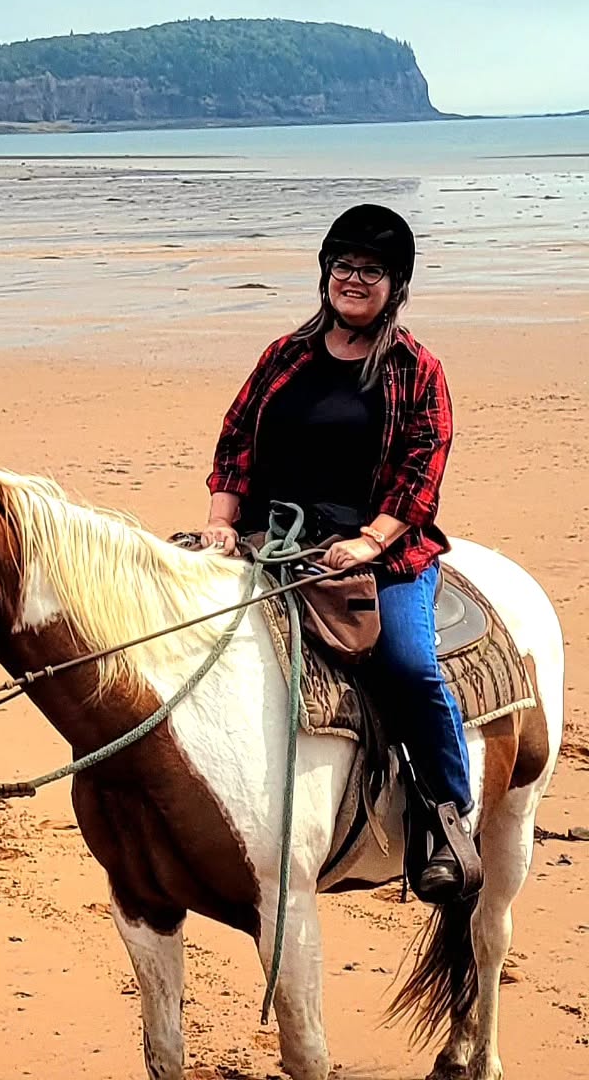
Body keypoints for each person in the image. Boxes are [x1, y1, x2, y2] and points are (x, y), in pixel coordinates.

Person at [203, 203, 474, 901]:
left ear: (397, 284)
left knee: (410, 666)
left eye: (371, 270)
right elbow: (235, 440)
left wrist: (369, 542)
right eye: (343, 266)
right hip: (270, 538)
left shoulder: (418, 370)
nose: (353, 280)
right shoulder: (285, 357)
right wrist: (222, 521)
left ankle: (447, 815)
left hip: (378, 553)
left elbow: (421, 474)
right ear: (325, 273)